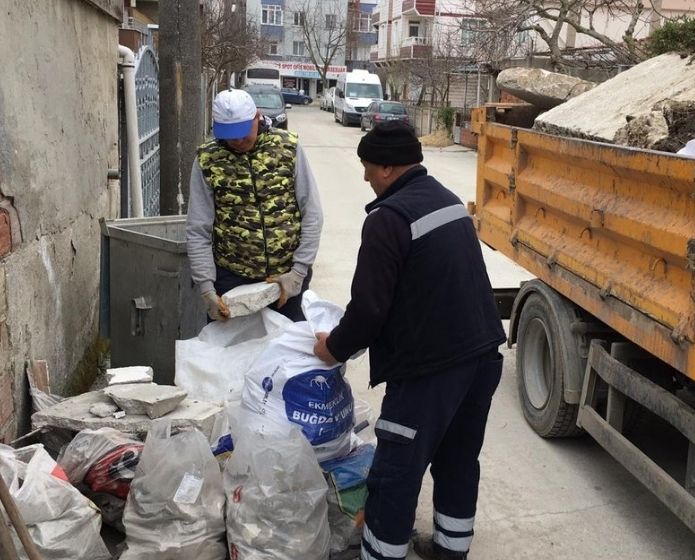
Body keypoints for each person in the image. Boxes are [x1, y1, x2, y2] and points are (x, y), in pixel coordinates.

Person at [313, 121, 505, 560]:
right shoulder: (447, 200)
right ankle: (450, 550)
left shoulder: (388, 219)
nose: (363, 177)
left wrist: (333, 348)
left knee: (396, 472)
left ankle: (382, 555)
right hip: (481, 358)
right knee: (458, 461)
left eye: (366, 167)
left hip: (429, 372)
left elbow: (368, 310)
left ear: (385, 167)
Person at [186, 89, 322, 322]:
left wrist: (299, 271)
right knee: (233, 354)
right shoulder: (208, 160)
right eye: (230, 135)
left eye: (242, 133)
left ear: (257, 117)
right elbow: (198, 228)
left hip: (285, 277)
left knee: (286, 351)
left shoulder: (287, 147)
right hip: (232, 279)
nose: (238, 141)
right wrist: (207, 288)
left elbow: (312, 213)